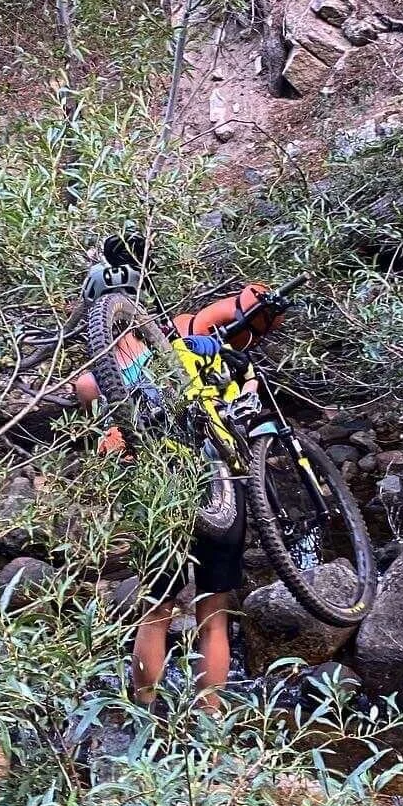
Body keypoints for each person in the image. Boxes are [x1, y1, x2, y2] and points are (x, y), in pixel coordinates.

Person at [73, 284, 286, 712]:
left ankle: (145, 717)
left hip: (157, 493)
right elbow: (243, 309)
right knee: (214, 617)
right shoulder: (179, 337)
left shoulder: (88, 382)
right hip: (218, 484)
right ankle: (210, 724)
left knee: (155, 611)